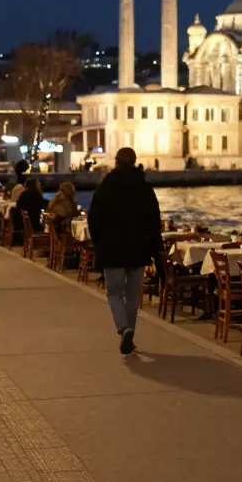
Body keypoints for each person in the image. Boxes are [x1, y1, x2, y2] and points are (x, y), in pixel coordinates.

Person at [88, 147, 162, 355]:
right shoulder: (144, 187)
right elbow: (154, 221)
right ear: (135, 161)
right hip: (138, 249)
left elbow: (94, 219)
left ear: (116, 162)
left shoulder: (106, 186)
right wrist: (156, 248)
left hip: (112, 250)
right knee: (132, 295)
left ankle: (124, 328)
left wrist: (99, 241)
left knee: (114, 292)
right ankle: (130, 333)